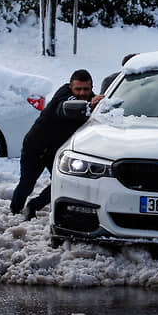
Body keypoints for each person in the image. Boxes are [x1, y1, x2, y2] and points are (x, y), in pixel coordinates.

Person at [10, 69, 104, 220]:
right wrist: (88, 105)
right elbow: (64, 108)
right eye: (78, 88)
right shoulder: (64, 94)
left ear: (91, 87)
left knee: (63, 183)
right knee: (27, 183)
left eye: (85, 89)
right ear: (71, 86)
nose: (81, 92)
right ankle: (14, 211)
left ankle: (33, 206)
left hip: (55, 150)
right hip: (36, 146)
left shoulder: (93, 100)